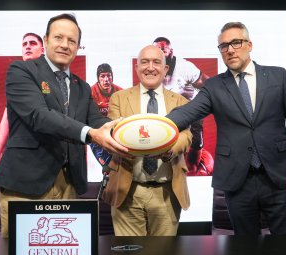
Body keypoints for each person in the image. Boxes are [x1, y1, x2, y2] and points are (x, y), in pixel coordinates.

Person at [166, 22, 286, 235]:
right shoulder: (214, 86)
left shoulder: (278, 77)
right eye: (223, 46)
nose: (230, 50)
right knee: (246, 252)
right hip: (238, 182)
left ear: (249, 45)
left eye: (236, 42)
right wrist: (152, 126)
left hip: (280, 177)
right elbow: (186, 113)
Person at [0, 13, 128, 238]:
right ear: (45, 41)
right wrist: (90, 133)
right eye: (58, 38)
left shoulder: (82, 87)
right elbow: (39, 116)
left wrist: (133, 133)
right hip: (24, 185)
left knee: (65, 252)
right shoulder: (21, 71)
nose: (65, 45)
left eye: (72, 41)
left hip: (68, 186)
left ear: (78, 46)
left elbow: (98, 122)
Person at [102, 45, 192, 236]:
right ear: (137, 67)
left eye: (156, 62)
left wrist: (169, 149)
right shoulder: (118, 98)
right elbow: (111, 135)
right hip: (127, 191)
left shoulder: (180, 101)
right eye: (144, 62)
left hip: (167, 192)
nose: (150, 67)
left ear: (166, 69)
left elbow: (186, 136)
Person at [153, 37, 213, 176]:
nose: (159, 54)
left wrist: (198, 107)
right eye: (156, 51)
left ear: (171, 52)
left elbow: (209, 86)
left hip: (190, 113)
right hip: (168, 114)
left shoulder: (184, 67)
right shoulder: (152, 69)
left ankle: (195, 167)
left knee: (191, 165)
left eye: (163, 50)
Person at [0, 32, 45, 173]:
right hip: (19, 150)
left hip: (46, 150)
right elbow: (7, 116)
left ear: (43, 49)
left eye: (32, 43)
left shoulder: (51, 75)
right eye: (24, 44)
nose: (27, 47)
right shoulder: (16, 76)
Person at [90, 63, 123, 166]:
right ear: (98, 78)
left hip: (115, 130)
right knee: (107, 165)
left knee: (119, 161)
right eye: (102, 76)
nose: (106, 79)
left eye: (108, 75)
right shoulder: (91, 92)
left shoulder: (120, 92)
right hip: (98, 131)